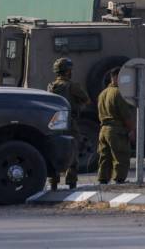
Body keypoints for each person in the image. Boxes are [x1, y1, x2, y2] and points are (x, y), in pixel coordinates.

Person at [47, 58, 91, 191]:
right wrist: (77, 107)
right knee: (73, 151)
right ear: (67, 71)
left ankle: (53, 183)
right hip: (69, 123)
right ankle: (71, 182)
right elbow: (86, 100)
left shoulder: (51, 86)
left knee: (54, 152)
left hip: (54, 123)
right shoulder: (72, 86)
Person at [97, 67, 136, 184]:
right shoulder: (119, 93)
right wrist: (132, 130)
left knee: (104, 157)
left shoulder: (103, 93)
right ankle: (119, 180)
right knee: (121, 156)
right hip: (116, 130)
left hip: (103, 130)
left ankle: (103, 179)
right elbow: (126, 116)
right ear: (117, 78)